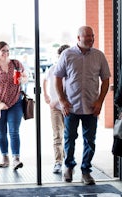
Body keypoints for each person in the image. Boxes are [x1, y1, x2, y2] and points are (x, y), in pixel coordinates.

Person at [54, 26, 111, 185]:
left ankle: (86, 171)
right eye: (87, 36)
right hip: (71, 107)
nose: (91, 39)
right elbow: (57, 78)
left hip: (92, 107)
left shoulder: (99, 56)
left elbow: (106, 80)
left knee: (89, 141)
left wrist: (100, 101)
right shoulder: (67, 55)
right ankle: (69, 167)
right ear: (78, 38)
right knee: (69, 139)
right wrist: (62, 100)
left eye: (92, 36)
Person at [0, 41, 28, 170]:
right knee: (1, 132)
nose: (6, 53)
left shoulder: (16, 63)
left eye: (7, 50)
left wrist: (22, 79)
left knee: (14, 131)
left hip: (15, 102)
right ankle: (4, 157)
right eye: (3, 51)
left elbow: (25, 76)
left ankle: (16, 159)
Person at [43, 44, 70, 174]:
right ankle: (58, 161)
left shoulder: (71, 70)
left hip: (69, 107)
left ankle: (68, 159)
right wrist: (46, 96)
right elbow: (44, 80)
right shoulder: (53, 69)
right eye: (60, 57)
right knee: (57, 135)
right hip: (55, 108)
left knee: (68, 135)